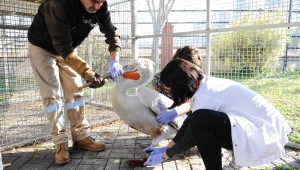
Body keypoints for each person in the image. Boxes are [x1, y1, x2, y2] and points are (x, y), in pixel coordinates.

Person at [143, 59, 291, 170]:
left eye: (169, 90)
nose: (169, 94)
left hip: (265, 133)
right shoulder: (203, 86)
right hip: (260, 125)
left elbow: (191, 135)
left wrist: (165, 155)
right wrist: (168, 147)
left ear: (179, 86)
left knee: (201, 123)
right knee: (198, 120)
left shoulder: (205, 98)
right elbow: (190, 123)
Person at [27, 0, 123, 165]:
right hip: (43, 48)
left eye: (102, 2)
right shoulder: (58, 4)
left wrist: (115, 60)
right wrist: (88, 72)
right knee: (53, 96)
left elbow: (110, 32)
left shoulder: (100, 5)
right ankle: (60, 143)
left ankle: (80, 136)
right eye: (94, 1)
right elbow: (62, 47)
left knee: (76, 90)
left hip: (69, 48)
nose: (98, 6)